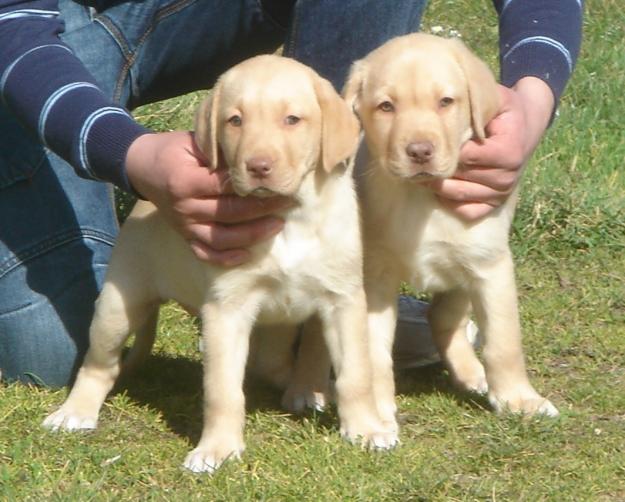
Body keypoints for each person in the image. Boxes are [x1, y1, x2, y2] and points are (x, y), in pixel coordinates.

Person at [0, 0, 583, 387]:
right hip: (37, 29)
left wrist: (533, 96)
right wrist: (128, 154)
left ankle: (326, 275)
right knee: (50, 354)